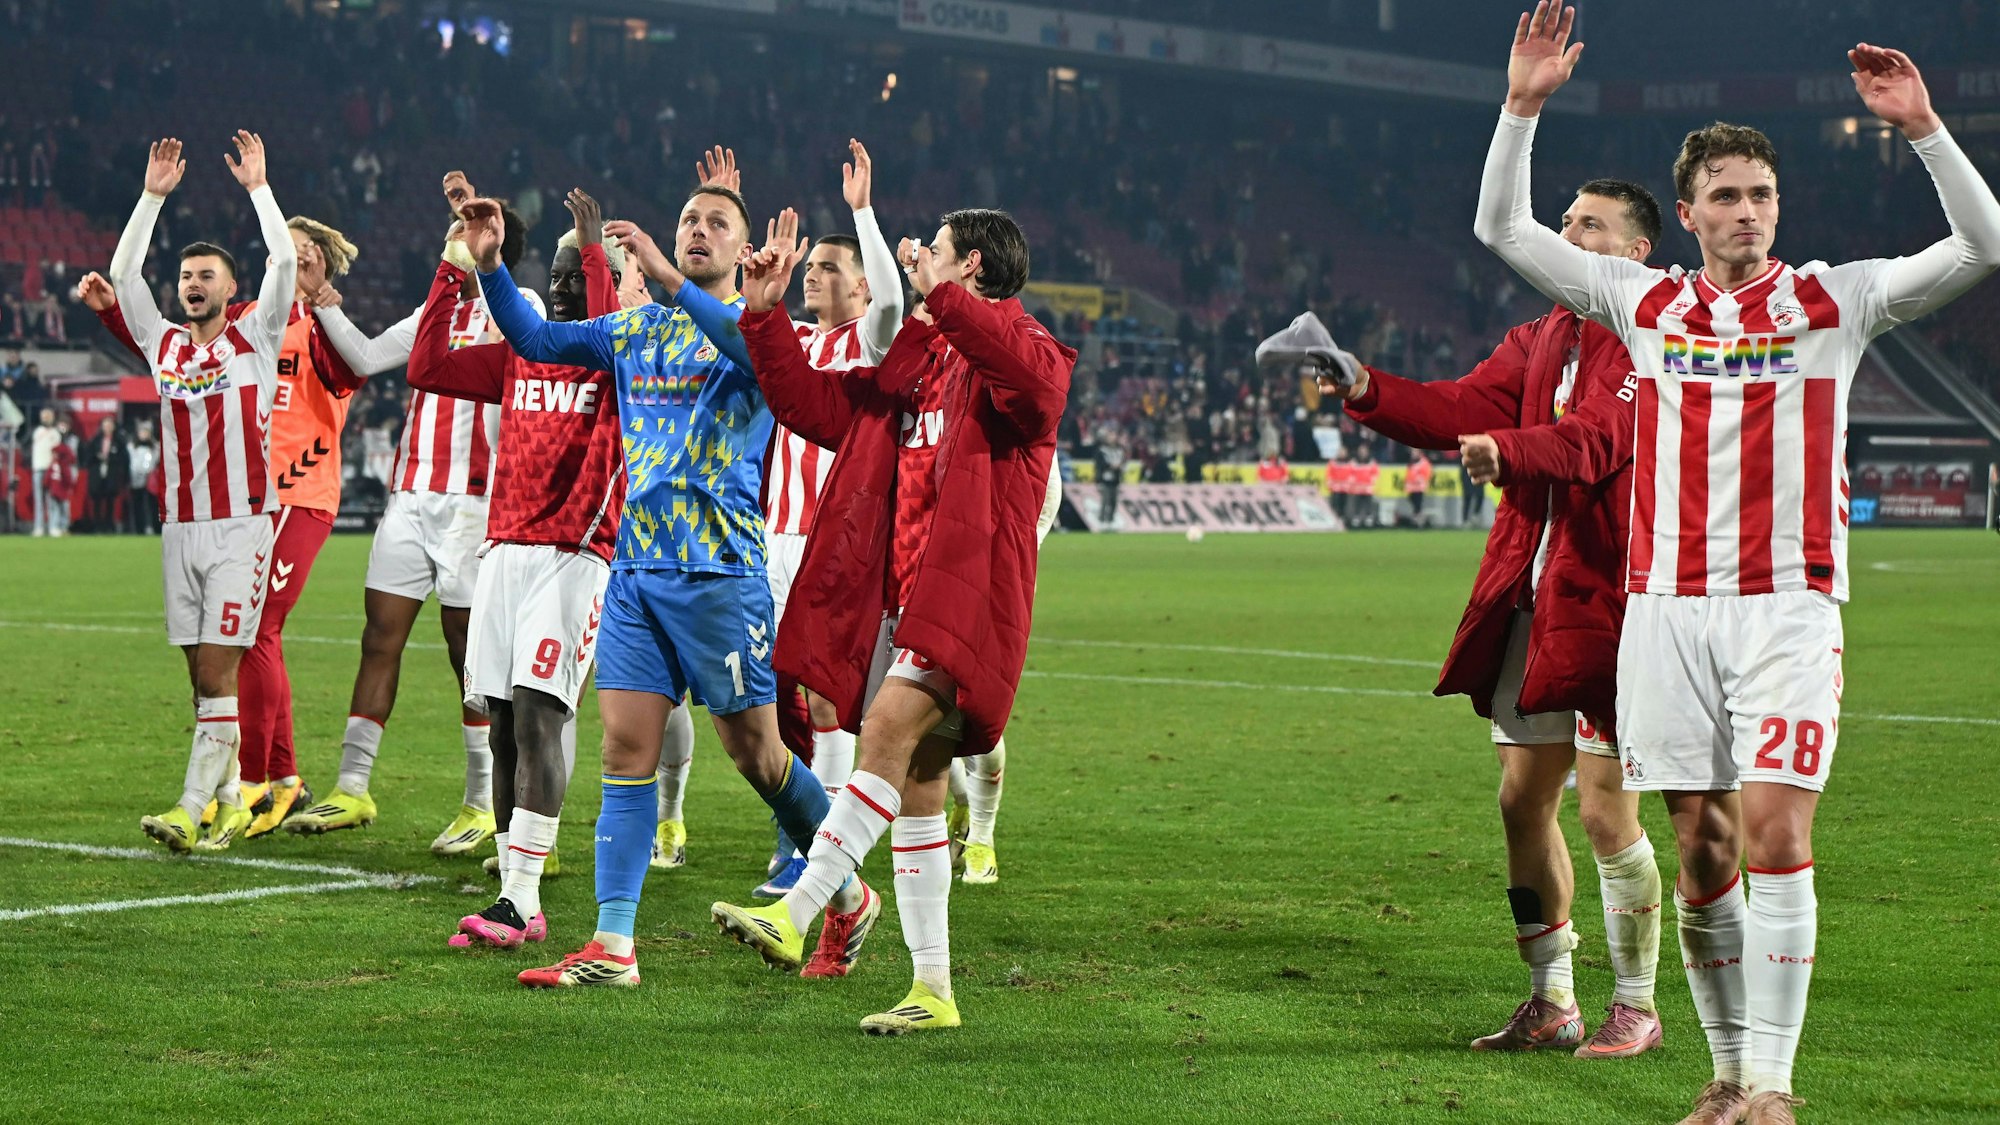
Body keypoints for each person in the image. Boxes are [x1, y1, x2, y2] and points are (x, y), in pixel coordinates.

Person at [1476, 8, 2000, 1121]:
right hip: (1664, 611)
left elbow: (1982, 246)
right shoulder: (1644, 302)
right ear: (1687, 214)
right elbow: (1505, 233)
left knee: (1774, 831)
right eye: (1723, 196)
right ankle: (1723, 1076)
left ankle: (1771, 1085)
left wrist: (1922, 132)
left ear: (1778, 207)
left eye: (1759, 195)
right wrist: (1520, 109)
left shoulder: (1835, 299)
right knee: (1701, 845)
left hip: (1786, 609)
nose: (1745, 213)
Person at [463, 179, 857, 991]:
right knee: (624, 751)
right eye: (687, 219)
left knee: (759, 756)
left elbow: (753, 354)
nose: (696, 230)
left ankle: (847, 891)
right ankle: (613, 945)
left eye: (716, 222)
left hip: (721, 576)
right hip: (638, 574)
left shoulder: (756, 332)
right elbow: (537, 339)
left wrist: (673, 282)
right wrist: (492, 266)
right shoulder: (633, 331)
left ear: (741, 248)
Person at [1325, 174, 1669, 1061]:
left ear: (1636, 254)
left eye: (1588, 226)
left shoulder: (1652, 335)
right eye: (1563, 221)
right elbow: (1455, 407)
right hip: (1532, 598)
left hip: (1613, 603)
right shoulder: (1540, 336)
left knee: (1603, 812)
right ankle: (1552, 997)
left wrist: (1505, 450)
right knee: (1523, 799)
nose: (1565, 234)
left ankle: (1636, 1003)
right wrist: (1364, 384)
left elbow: (1595, 441)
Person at [713, 206, 1074, 1034]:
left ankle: (800, 909)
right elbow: (817, 407)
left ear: (971, 266)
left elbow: (1043, 390)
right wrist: (765, 317)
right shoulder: (921, 363)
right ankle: (933, 989)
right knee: (915, 791)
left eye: (935, 253)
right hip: (901, 602)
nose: (919, 263)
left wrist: (941, 301)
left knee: (880, 735)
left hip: (968, 601)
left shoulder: (1024, 352)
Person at [83, 214, 367, 838]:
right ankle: (266, 779)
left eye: (300, 255)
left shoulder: (303, 326)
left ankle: (249, 784)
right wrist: (113, 312)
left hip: (285, 498)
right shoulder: (238, 323)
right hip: (188, 519)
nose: (289, 262)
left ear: (318, 262)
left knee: (254, 636)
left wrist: (324, 311)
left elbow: (353, 373)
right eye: (281, 252)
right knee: (219, 664)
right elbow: (167, 349)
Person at [286, 172, 536, 856]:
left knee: (468, 657)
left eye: (470, 232)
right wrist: (323, 304)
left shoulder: (525, 306)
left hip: (473, 505)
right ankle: (353, 784)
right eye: (454, 232)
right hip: (410, 502)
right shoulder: (436, 311)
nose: (455, 241)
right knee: (379, 636)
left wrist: (474, 263)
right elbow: (364, 356)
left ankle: (481, 801)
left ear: (496, 243)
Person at [407, 189, 626, 952]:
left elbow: (601, 319)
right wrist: (454, 266)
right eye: (557, 274)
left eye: (577, 275)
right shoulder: (518, 354)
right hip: (503, 549)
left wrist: (593, 250)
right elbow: (427, 363)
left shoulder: (616, 358)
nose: (563, 287)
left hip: (574, 556)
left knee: (540, 714)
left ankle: (520, 896)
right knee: (502, 723)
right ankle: (515, 896)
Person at [114, 133, 297, 852]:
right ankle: (229, 800)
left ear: (230, 288)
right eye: (187, 275)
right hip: (179, 529)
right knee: (201, 678)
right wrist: (152, 197)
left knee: (219, 668)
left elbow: (283, 260)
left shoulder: (256, 336)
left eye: (207, 275)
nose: (193, 284)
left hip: (241, 528)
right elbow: (124, 272)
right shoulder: (163, 346)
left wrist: (258, 187)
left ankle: (190, 806)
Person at [737, 139, 905, 899]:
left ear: (862, 286)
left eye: (828, 268)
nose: (814, 276)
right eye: (811, 267)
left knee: (832, 697)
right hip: (768, 539)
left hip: (837, 543)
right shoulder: (791, 340)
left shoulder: (873, 344)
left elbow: (896, 305)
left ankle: (826, 858)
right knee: (772, 701)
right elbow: (731, 318)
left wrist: (863, 213)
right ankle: (797, 830)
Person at [83, 416, 129, 533]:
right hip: (97, 474)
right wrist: (97, 457)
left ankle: (109, 526)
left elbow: (124, 459)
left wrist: (112, 459)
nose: (107, 428)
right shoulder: (95, 440)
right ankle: (97, 525)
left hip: (112, 474)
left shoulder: (119, 441)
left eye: (109, 425)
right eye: (105, 425)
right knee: (97, 501)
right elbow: (88, 458)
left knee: (110, 501)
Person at [30, 406, 62, 536]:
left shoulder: (56, 433)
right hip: (38, 468)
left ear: (53, 417)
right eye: (44, 416)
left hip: (51, 470)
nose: (46, 418)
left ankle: (53, 526)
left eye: (48, 416)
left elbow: (58, 452)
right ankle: (39, 527)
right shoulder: (37, 432)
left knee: (53, 499)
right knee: (39, 500)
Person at [126, 419, 160, 534]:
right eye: (142, 432)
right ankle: (138, 528)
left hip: (151, 480)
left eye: (146, 432)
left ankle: (154, 526)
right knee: (138, 505)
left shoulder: (155, 447)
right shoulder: (132, 447)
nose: (144, 434)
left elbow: (155, 461)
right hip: (136, 479)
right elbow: (132, 463)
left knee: (152, 505)